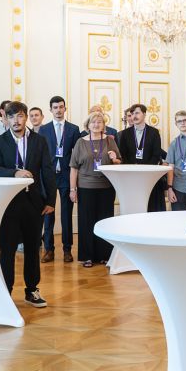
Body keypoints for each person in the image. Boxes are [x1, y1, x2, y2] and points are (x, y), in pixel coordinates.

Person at [0, 100, 52, 308]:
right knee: (7, 249)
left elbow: (47, 171)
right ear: (6, 119)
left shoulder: (39, 140)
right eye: (11, 116)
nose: (16, 120)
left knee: (33, 248)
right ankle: (5, 291)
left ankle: (32, 290)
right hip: (8, 203)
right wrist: (14, 173)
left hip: (34, 203)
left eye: (20, 116)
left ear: (26, 117)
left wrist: (50, 200)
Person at [69, 109, 120, 267]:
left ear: (104, 125)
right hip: (85, 187)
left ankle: (104, 255)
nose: (96, 124)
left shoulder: (110, 140)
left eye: (100, 122)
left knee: (104, 221)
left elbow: (119, 162)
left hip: (106, 187)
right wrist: (73, 189)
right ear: (88, 125)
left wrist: (114, 158)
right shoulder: (80, 142)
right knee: (87, 221)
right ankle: (88, 256)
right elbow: (74, 167)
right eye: (93, 122)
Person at [39, 96, 80, 262]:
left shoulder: (73, 129)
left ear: (65, 108)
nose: (58, 110)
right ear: (50, 110)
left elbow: (76, 155)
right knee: (48, 214)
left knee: (66, 215)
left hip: (66, 176)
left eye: (61, 107)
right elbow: (41, 153)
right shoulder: (44, 129)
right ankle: (48, 249)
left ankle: (67, 250)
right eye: (55, 107)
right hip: (48, 176)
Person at [117, 103, 167, 212]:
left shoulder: (154, 132)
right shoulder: (125, 134)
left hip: (150, 175)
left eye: (137, 113)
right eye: (132, 113)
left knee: (152, 207)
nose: (134, 116)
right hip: (132, 176)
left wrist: (145, 169)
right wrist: (133, 168)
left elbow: (156, 153)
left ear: (144, 114)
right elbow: (123, 154)